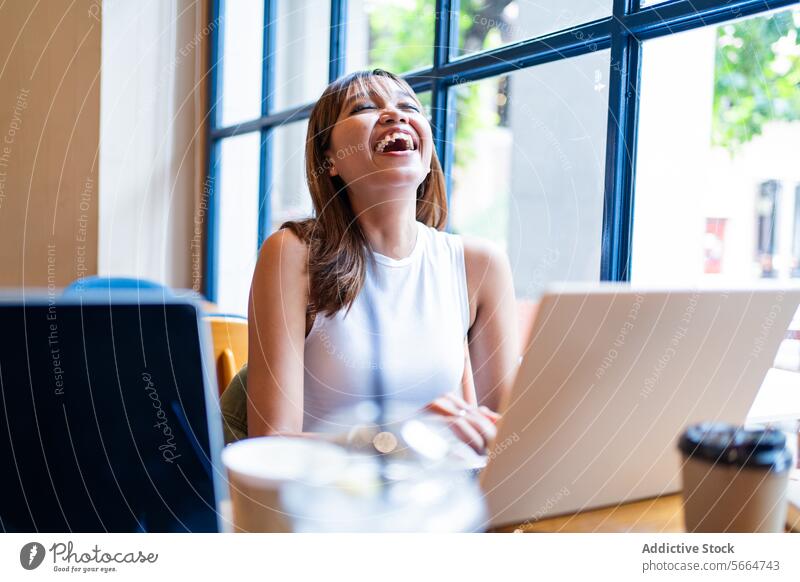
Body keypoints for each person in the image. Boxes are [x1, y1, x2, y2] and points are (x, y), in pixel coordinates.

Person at [243, 69, 518, 454]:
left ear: (426, 157)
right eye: (366, 107)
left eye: (408, 106)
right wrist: (400, 443)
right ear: (331, 160)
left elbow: (507, 440)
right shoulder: (291, 253)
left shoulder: (482, 265)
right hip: (332, 503)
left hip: (444, 505)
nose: (395, 114)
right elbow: (270, 443)